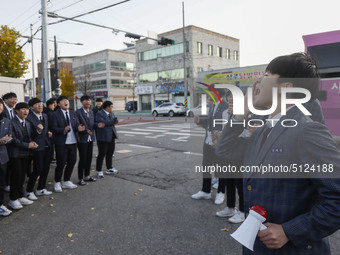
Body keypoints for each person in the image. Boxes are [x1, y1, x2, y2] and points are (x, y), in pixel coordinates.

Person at [216, 53, 340, 254]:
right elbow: (225, 150)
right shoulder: (266, 128)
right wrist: (240, 115)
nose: (257, 82)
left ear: (286, 87)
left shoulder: (307, 131)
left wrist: (289, 231)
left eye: (266, 74)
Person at [191, 88, 229, 205]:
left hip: (219, 144)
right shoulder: (213, 105)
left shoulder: (225, 106)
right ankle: (205, 191)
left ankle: (221, 193)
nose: (208, 95)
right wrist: (200, 122)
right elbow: (210, 123)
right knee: (206, 166)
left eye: (210, 92)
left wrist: (220, 140)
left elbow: (227, 126)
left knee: (221, 168)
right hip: (208, 142)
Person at [7, 103, 38, 210]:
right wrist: (27, 145)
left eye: (27, 109)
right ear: (17, 111)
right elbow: (12, 139)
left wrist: (32, 143)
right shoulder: (11, 122)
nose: (26, 112)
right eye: (23, 109)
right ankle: (13, 199)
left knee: (22, 176)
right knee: (16, 176)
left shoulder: (27, 123)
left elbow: (29, 137)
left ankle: (20, 196)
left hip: (26, 153)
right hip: (15, 154)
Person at [51, 96, 85, 192]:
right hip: (61, 143)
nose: (66, 102)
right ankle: (57, 182)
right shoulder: (55, 115)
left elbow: (76, 125)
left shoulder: (72, 113)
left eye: (67, 100)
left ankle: (66, 181)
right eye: (63, 101)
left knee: (72, 161)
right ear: (58, 104)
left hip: (73, 142)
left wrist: (79, 128)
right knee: (61, 163)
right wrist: (63, 130)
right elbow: (53, 128)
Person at [25, 98, 53, 199]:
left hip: (47, 145)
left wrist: (48, 132)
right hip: (37, 146)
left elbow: (46, 129)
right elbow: (28, 134)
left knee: (46, 168)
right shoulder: (28, 117)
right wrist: (38, 130)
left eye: (41, 103)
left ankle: (40, 189)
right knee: (38, 169)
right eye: (37, 104)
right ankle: (29, 190)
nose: (40, 105)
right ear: (31, 107)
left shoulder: (45, 115)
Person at [76, 95, 97, 185]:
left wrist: (98, 125)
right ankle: (80, 178)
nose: (88, 102)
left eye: (89, 100)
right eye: (85, 101)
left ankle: (87, 175)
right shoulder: (78, 112)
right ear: (81, 102)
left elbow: (92, 124)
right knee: (83, 158)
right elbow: (77, 125)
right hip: (82, 138)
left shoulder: (91, 112)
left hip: (90, 138)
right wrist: (85, 131)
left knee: (89, 158)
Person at [95, 100, 118, 178]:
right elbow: (102, 123)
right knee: (101, 154)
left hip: (112, 136)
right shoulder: (99, 114)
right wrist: (111, 122)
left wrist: (110, 122)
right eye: (111, 106)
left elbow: (115, 120)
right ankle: (99, 170)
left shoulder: (111, 113)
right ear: (107, 107)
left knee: (110, 153)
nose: (112, 108)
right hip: (103, 137)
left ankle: (109, 168)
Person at [2, 92, 17, 192]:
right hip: (4, 143)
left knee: (12, 164)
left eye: (15, 98)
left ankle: (9, 182)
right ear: (5, 100)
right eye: (11, 98)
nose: (14, 100)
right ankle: (6, 183)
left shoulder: (15, 111)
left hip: (13, 141)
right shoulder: (2, 112)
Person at [0, 99, 12, 216]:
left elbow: (10, 136)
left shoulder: (6, 121)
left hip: (3, 156)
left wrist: (8, 139)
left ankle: (1, 204)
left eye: (0, 105)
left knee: (2, 183)